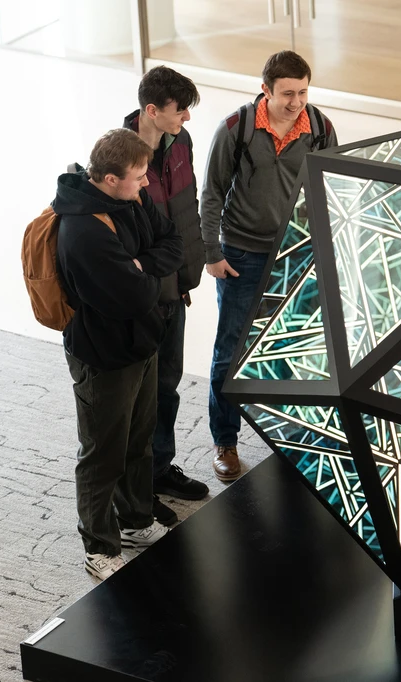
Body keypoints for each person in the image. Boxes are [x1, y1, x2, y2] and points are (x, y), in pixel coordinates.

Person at [200, 50, 337, 483]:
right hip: (240, 254)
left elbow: (331, 189)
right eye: (287, 94)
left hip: (296, 256)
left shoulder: (320, 129)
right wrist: (211, 252)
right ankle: (226, 441)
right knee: (231, 354)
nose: (296, 102)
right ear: (265, 90)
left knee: (292, 351)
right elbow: (212, 193)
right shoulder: (235, 129)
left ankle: (291, 440)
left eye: (302, 92)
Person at [54, 129, 183, 579]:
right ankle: (99, 545)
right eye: (139, 177)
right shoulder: (83, 230)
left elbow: (172, 240)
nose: (147, 184)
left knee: (138, 440)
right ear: (110, 178)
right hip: (104, 357)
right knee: (102, 453)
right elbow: (132, 299)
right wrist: (148, 275)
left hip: (142, 345)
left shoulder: (130, 200)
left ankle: (134, 521)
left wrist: (141, 265)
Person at [123, 66, 209, 526]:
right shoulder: (118, 157)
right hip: (141, 296)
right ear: (152, 111)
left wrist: (189, 273)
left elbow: (186, 208)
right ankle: (137, 489)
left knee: (167, 386)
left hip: (175, 288)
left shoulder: (181, 144)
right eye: (181, 111)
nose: (188, 119)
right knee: (139, 399)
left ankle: (159, 470)